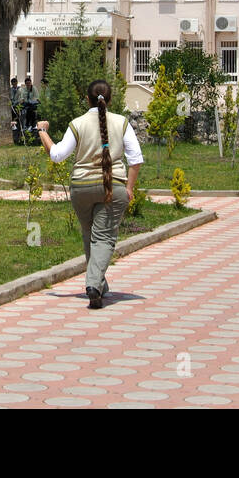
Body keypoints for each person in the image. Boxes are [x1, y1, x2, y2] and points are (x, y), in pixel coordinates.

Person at [36, 79, 143, 309]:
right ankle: (93, 284)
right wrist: (130, 188)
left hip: (80, 188)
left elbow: (57, 155)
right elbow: (135, 159)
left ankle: (99, 285)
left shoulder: (78, 123)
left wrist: (42, 131)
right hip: (112, 187)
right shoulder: (122, 123)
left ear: (87, 99)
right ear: (111, 99)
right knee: (103, 237)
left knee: (90, 235)